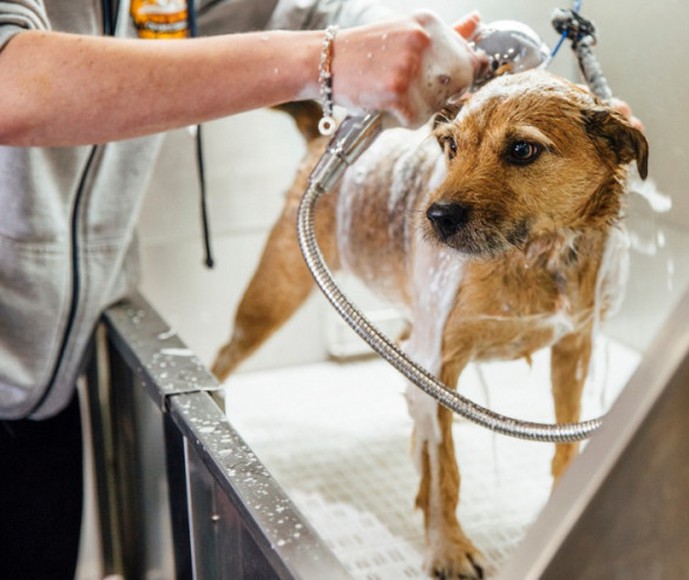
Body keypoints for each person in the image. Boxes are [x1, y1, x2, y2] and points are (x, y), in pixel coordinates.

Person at [0, 1, 485, 577]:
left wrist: (423, 44)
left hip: (40, 393)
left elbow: (300, 11)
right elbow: (12, 85)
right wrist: (327, 61)